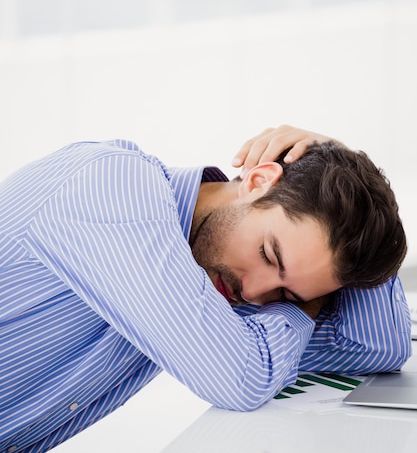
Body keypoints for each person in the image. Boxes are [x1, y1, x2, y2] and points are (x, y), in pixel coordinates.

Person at [0, 125, 411, 453]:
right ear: (258, 180)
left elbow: (377, 344)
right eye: (269, 254)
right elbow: (240, 379)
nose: (252, 294)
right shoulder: (112, 187)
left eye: (288, 295)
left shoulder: (223, 277)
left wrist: (347, 168)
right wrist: (303, 307)